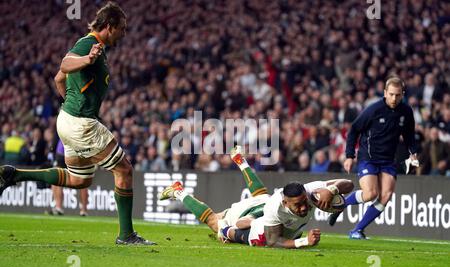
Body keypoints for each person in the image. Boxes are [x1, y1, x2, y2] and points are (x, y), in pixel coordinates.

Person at [0, 2, 154, 245]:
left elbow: (58, 79)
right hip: (81, 123)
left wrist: (72, 104)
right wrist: (86, 60)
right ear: (110, 26)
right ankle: (126, 235)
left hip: (68, 120)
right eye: (122, 29)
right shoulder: (89, 44)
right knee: (124, 169)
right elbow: (64, 65)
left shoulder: (97, 49)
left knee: (79, 180)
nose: (124, 34)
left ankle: (14, 176)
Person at [159, 146, 354, 249]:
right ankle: (178, 191)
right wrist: (303, 242)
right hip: (252, 215)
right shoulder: (274, 211)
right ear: (286, 203)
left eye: (305, 203)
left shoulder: (310, 191)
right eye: (299, 205)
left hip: (265, 206)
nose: (305, 207)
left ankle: (241, 161)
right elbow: (270, 240)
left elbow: (350, 184)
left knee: (262, 196)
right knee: (214, 221)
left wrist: (333, 190)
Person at [328, 76, 419, 239]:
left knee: (386, 195)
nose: (394, 98)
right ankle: (340, 205)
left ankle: (357, 230)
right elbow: (354, 129)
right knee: (370, 193)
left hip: (388, 160)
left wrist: (413, 153)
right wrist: (349, 156)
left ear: (403, 94)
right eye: (391, 94)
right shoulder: (373, 110)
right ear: (385, 93)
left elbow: (409, 135)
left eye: (398, 95)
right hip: (368, 157)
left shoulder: (406, 111)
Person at [48, 139, 89, 216]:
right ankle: (83, 210)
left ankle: (59, 207)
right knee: (83, 181)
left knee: (57, 180)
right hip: (73, 153)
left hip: (66, 152)